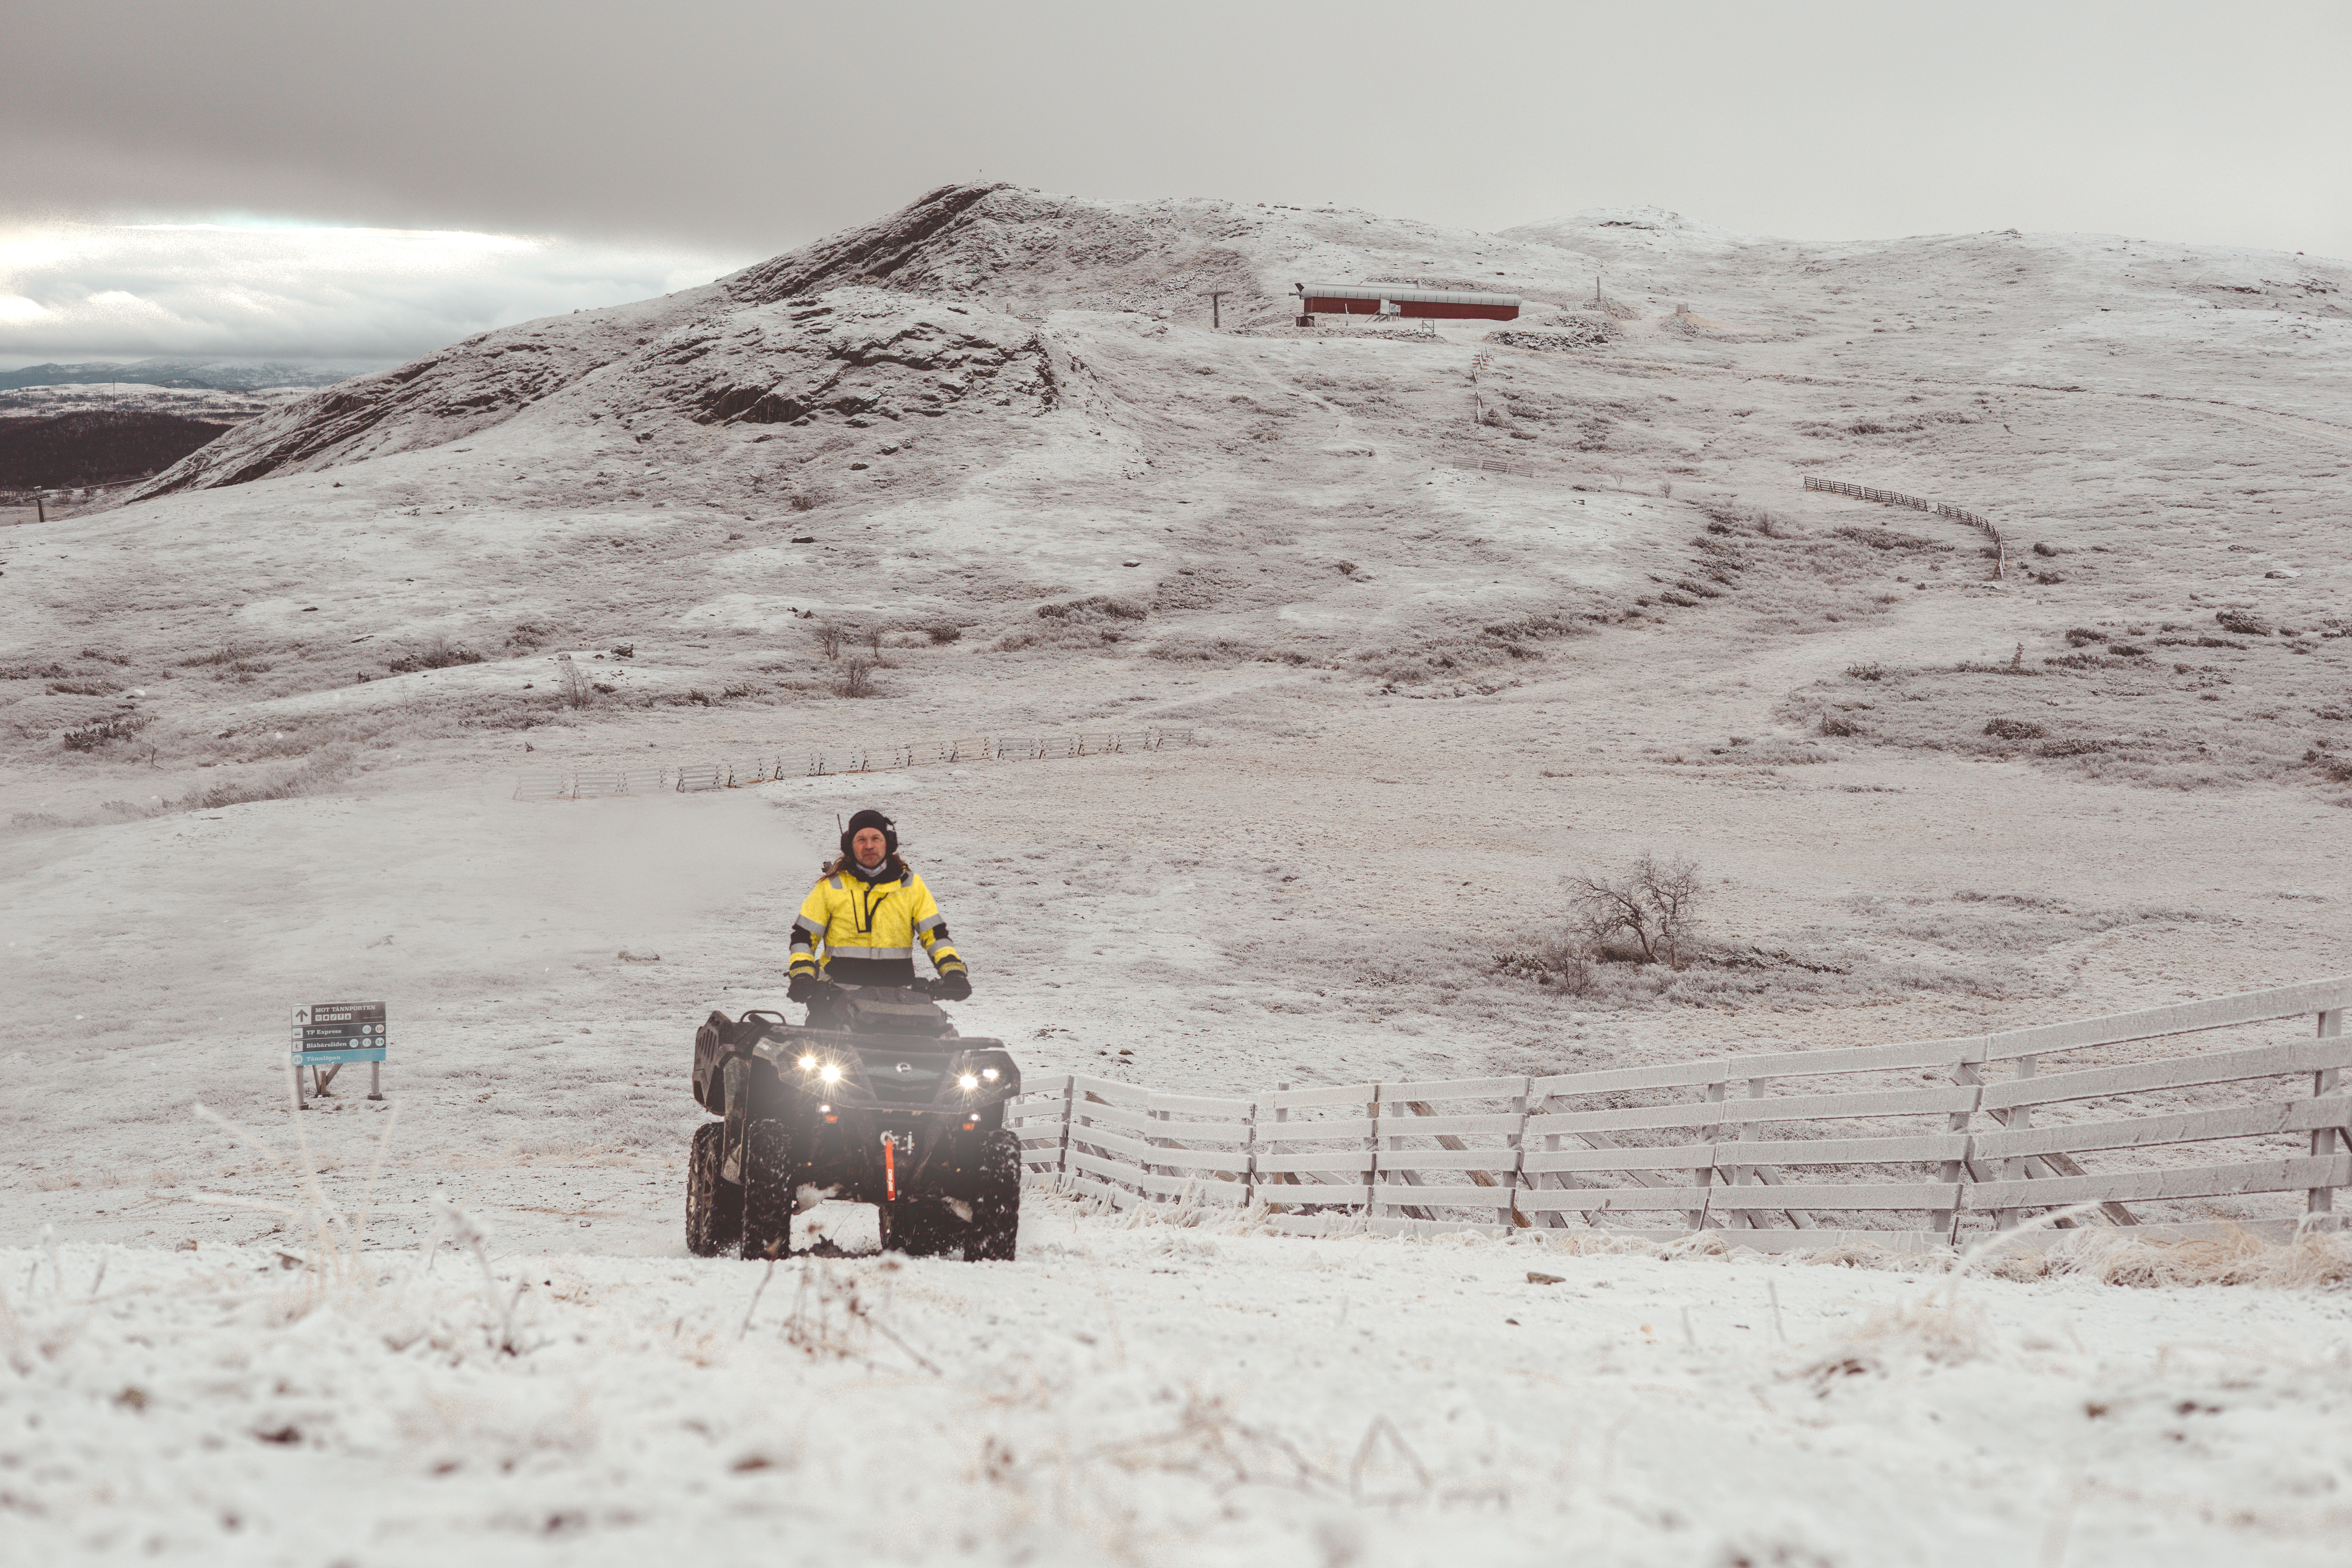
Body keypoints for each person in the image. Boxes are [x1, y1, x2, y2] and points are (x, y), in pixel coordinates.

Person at [787, 809, 971, 1015]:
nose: (869, 846)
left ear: (888, 843)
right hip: (835, 1000)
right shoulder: (831, 887)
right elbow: (804, 937)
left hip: (898, 1000)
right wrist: (803, 975)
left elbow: (935, 935)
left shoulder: (911, 886)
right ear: (850, 846)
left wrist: (953, 971)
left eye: (876, 838)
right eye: (861, 840)